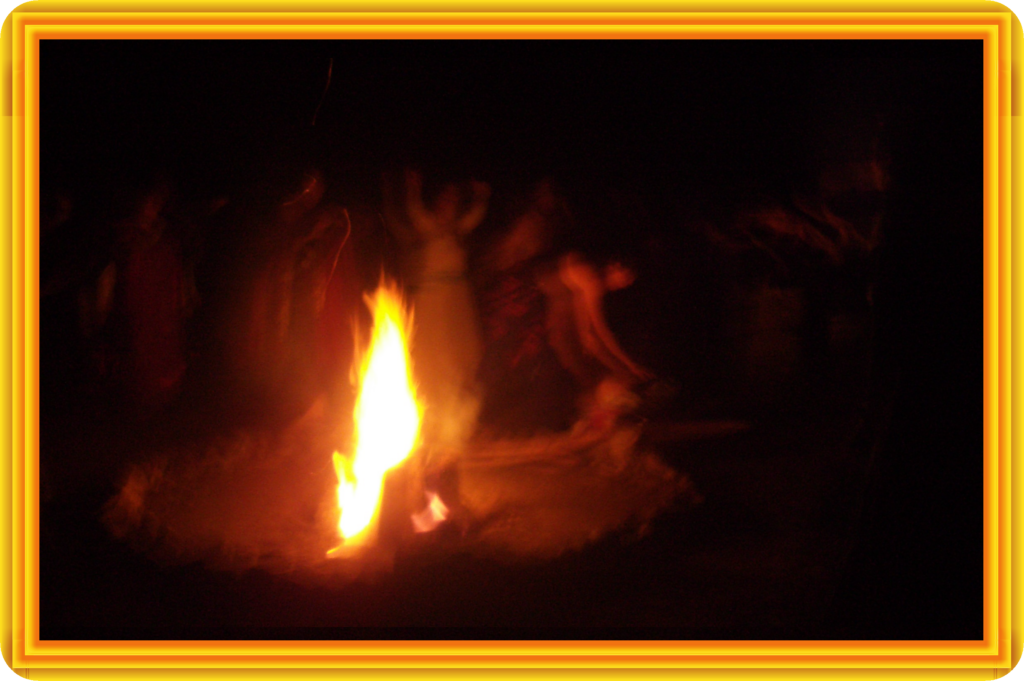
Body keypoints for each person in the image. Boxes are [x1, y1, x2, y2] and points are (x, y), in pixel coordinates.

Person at [394, 169, 491, 461]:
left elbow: (476, 216)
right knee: (432, 356)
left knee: (458, 356)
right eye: (445, 200)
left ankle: (456, 423)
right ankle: (430, 422)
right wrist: (412, 189)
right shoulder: (428, 227)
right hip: (432, 300)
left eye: (453, 201)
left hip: (456, 300)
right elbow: (414, 211)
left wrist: (481, 196)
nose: (448, 205)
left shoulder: (459, 230)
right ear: (437, 204)